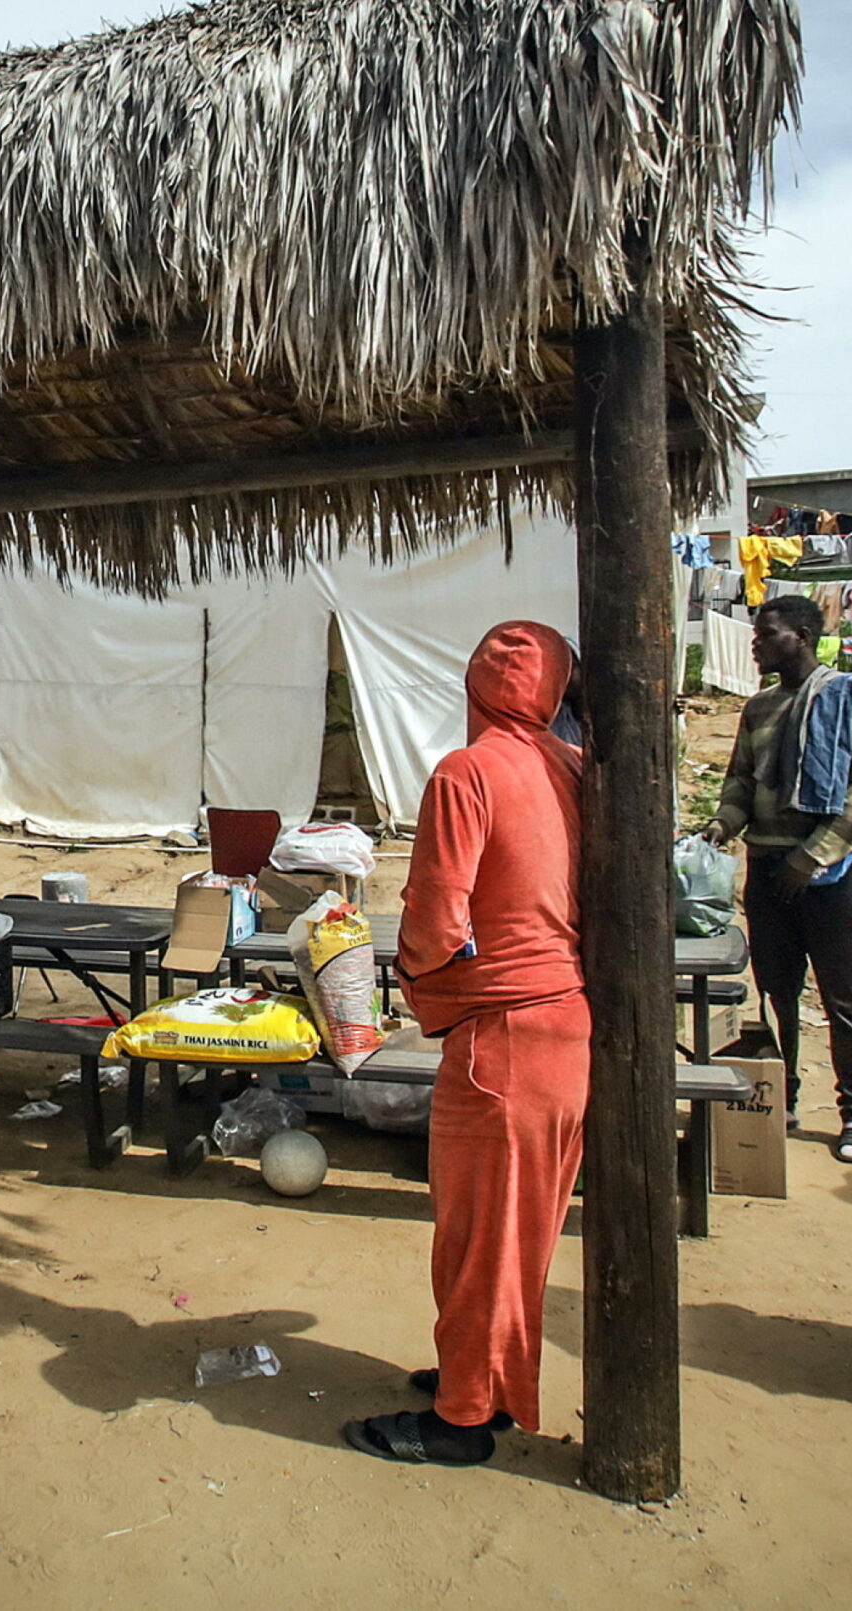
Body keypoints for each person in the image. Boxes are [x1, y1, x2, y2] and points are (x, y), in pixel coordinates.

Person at [347, 622, 586, 1468]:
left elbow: (438, 924)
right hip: (567, 1031)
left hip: (501, 1040)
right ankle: (484, 1381)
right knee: (522, 1239)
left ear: (477, 687)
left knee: (477, 1238)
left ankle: (459, 1421)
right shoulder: (570, 768)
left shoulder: (466, 772)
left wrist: (419, 984)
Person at [703, 594, 852, 1164]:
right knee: (777, 993)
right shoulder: (759, 708)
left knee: (843, 996)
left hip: (827, 873)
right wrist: (723, 825)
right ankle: (785, 1094)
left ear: (801, 636)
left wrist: (811, 858)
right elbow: (741, 781)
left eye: (767, 634)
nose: (756, 644)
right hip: (768, 867)